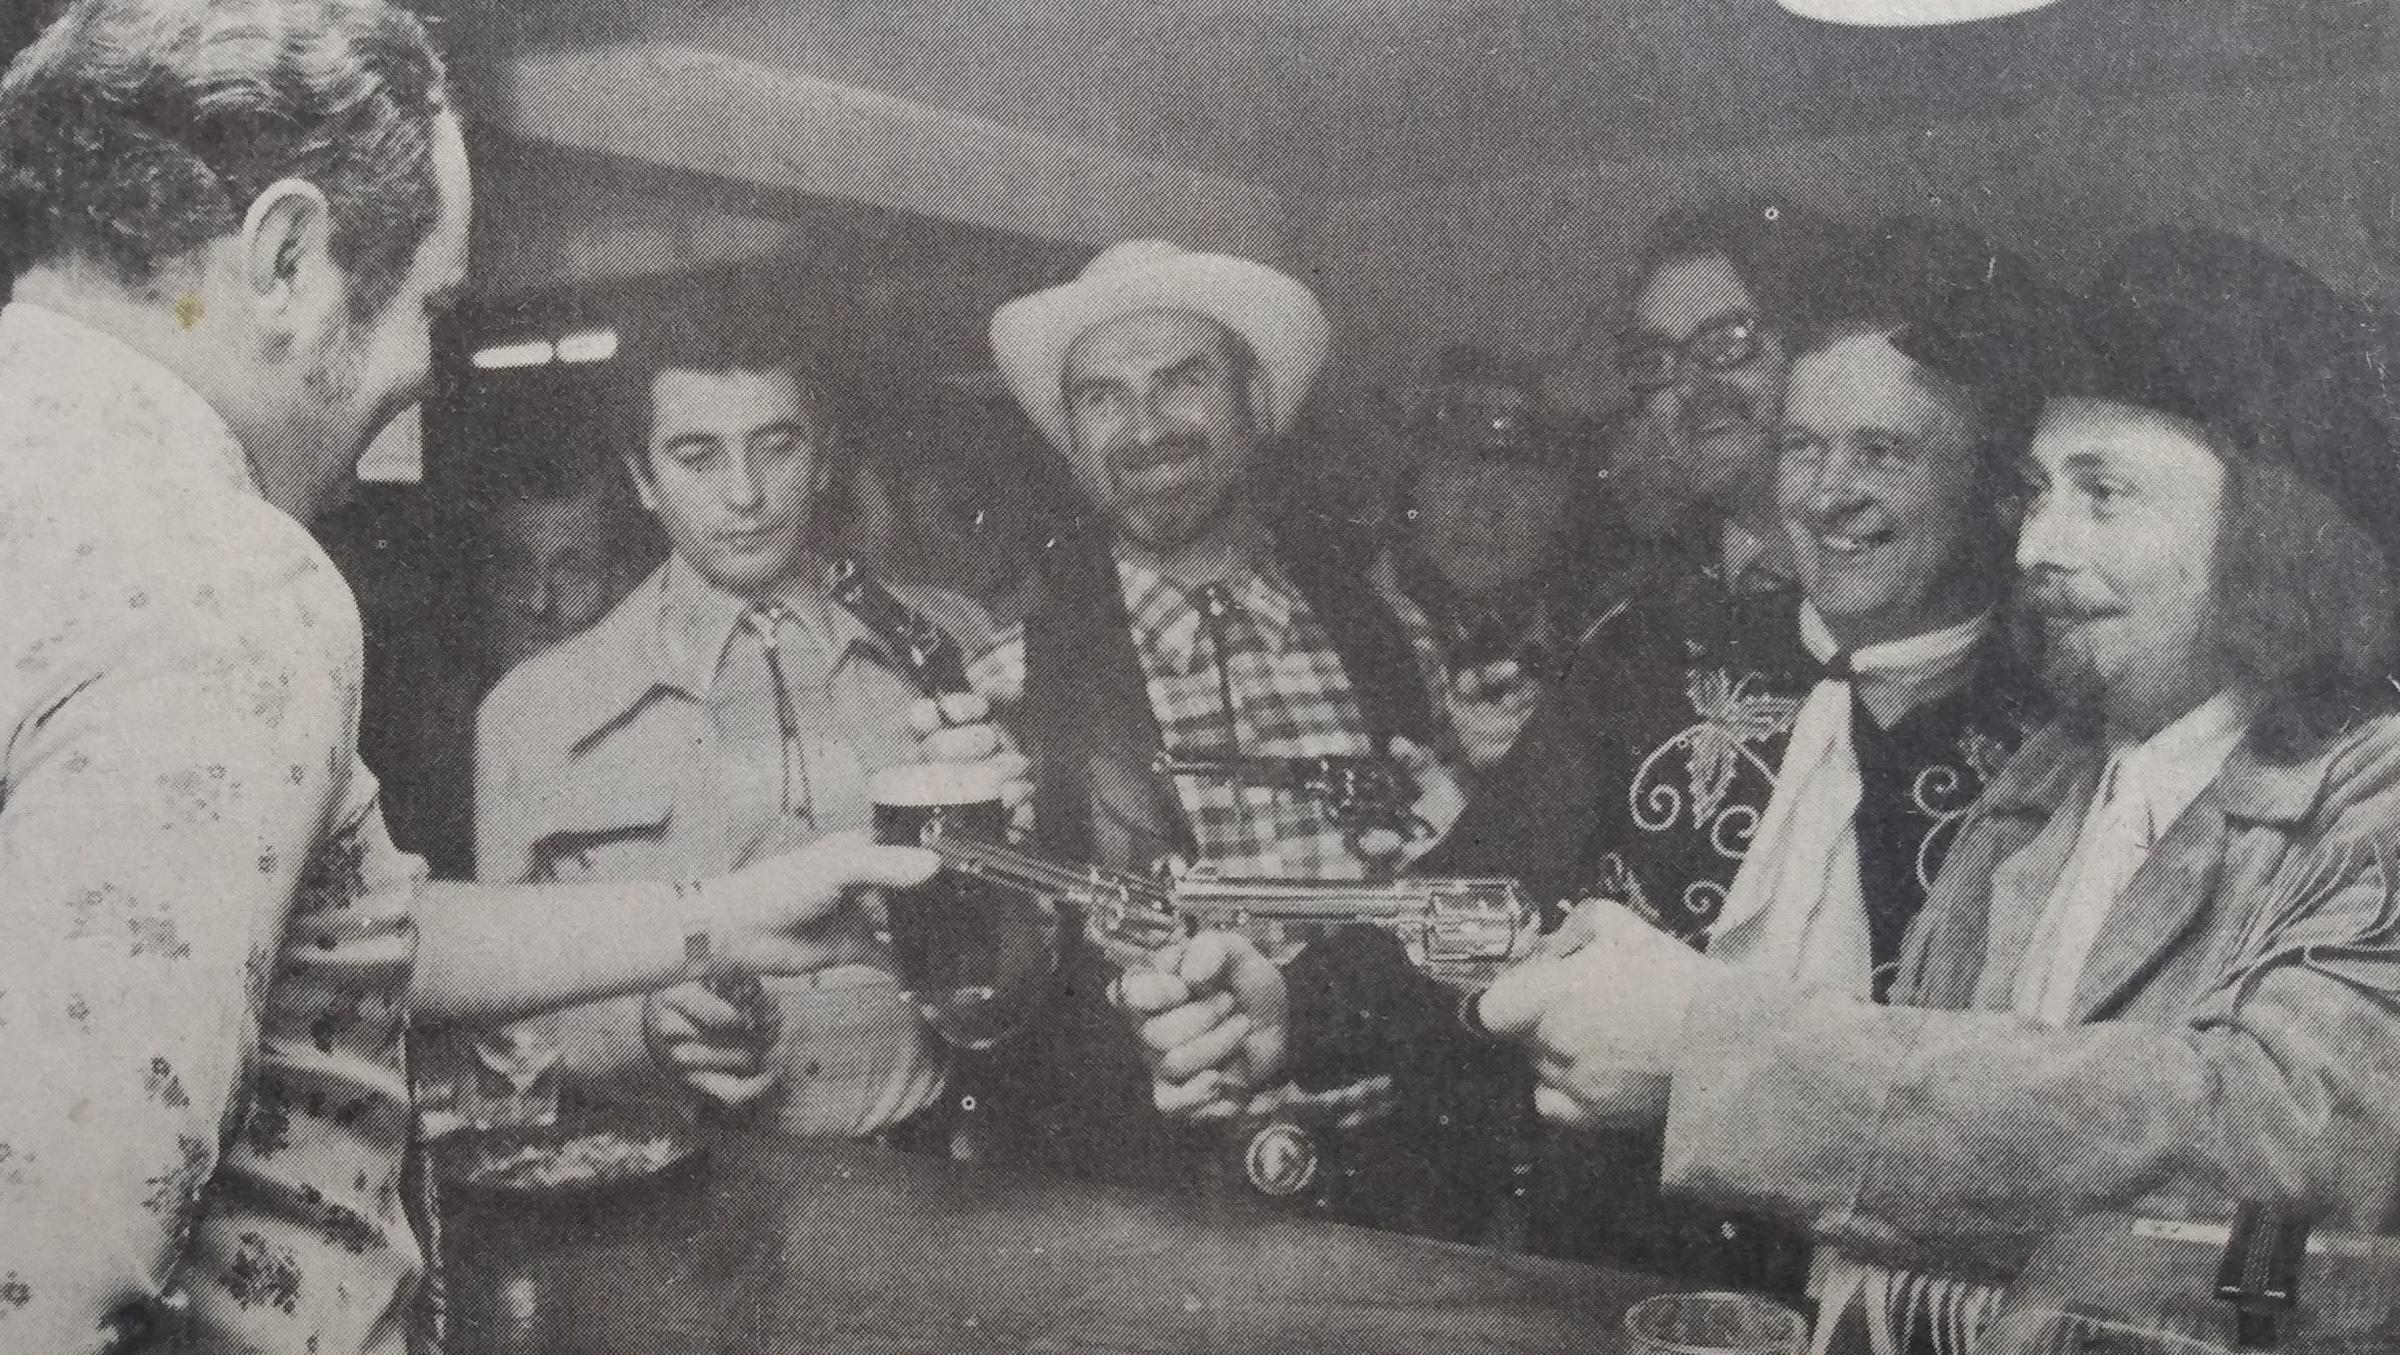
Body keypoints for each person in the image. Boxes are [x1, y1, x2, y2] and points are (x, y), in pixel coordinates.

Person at [0, 5, 943, 1352]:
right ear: (283, 256)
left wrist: (724, 911)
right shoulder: (223, 577)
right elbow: (46, 1272)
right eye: (432, 306)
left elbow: (334, 930)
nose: (425, 368)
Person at [1477, 227, 2400, 1354]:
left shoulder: (2373, 789)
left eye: (2102, 492)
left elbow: (2271, 1141)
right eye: (2035, 492)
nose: (2037, 545)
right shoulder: (2046, 784)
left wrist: (1716, 1052)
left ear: (2268, 528)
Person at [1125, 228, 2060, 1289]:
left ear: (1987, 481)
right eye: (1803, 447)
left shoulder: (2056, 737)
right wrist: (1290, 1007)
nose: (1826, 493)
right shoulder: (1651, 657)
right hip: (1611, 1277)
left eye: (1883, 452)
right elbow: (1473, 898)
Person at [955, 240, 1511, 1234]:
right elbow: (994, 1009)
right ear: (1072, 442)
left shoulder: (1397, 639)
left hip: (1407, 1196)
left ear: (1253, 404)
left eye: (1182, 381)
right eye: (1103, 397)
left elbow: (1470, 925)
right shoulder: (1006, 685)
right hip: (1142, 1209)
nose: (1146, 426)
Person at [474, 325, 997, 1139]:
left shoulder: (955, 649)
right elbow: (503, 1014)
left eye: (776, 447)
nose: (745, 494)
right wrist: (643, 1031)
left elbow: (1030, 938)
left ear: (824, 459)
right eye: (697, 456)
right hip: (681, 1198)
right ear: (642, 479)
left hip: (937, 1173)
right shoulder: (532, 712)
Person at [1435, 198, 1865, 908]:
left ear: (1817, 347)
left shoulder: (1923, 594)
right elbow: (1482, 876)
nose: (1693, 390)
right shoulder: (1634, 622)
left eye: (1728, 340)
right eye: (1658, 362)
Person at [1372, 345, 1578, 777]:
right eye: (1456, 471)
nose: (1487, 506)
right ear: (1411, 494)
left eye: (1521, 478)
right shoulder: (1333, 634)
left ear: (1560, 505)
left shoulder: (1594, 656)